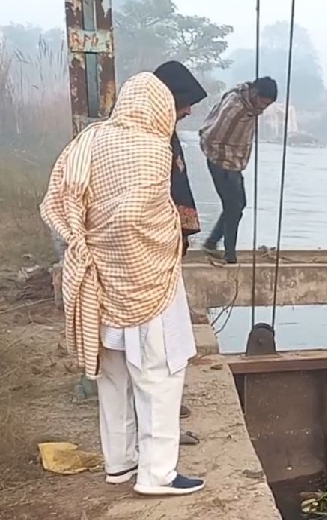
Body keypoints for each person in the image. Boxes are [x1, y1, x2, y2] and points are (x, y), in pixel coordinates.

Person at [40, 72, 205, 496]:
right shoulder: (151, 147)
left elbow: (58, 200)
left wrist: (89, 244)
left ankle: (120, 463)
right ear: (160, 107)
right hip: (147, 279)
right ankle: (158, 475)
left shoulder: (89, 141)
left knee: (112, 375)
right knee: (160, 374)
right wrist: (165, 233)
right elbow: (138, 216)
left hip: (96, 278)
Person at [153, 60, 208, 446]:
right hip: (149, 257)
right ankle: (160, 427)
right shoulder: (148, 141)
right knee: (158, 346)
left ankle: (165, 414)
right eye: (184, 102)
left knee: (169, 342)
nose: (188, 111)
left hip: (164, 253)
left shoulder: (164, 133)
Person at [197, 76, 278, 264]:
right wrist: (221, 159)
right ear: (255, 94)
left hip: (233, 163)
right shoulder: (235, 108)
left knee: (238, 205)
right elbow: (211, 134)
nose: (263, 109)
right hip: (221, 162)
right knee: (233, 207)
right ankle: (229, 254)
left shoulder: (250, 106)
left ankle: (211, 242)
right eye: (263, 103)